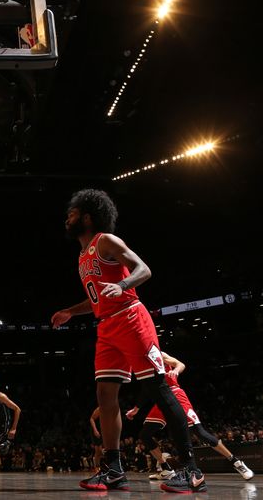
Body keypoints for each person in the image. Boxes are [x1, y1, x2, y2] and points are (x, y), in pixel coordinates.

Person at [51, 189, 206, 493]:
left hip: (131, 318)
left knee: (159, 389)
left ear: (86, 216)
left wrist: (121, 284)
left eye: (72, 212)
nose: (66, 217)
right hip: (107, 327)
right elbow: (97, 298)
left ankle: (192, 470)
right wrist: (71, 311)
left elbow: (144, 270)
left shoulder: (105, 241)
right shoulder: (82, 256)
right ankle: (113, 469)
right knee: (105, 394)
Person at [125, 351, 254, 481]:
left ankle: (237, 462)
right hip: (160, 400)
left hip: (175, 394)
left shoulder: (157, 353)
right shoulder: (139, 361)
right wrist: (137, 408)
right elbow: (146, 389)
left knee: (199, 432)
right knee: (145, 434)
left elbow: (180, 364)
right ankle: (166, 468)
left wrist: (176, 371)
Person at [89, 407, 104, 471]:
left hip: (102, 430)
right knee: (98, 450)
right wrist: (95, 430)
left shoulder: (109, 409)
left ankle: (97, 466)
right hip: (96, 430)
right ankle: (97, 467)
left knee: (100, 451)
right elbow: (91, 419)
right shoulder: (100, 408)